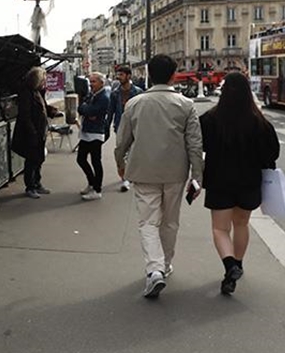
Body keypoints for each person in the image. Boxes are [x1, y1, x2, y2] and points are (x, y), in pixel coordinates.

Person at [114, 55, 204, 298]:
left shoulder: (134, 104)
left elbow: (122, 141)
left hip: (143, 171)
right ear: (173, 75)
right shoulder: (186, 104)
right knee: (170, 221)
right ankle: (164, 265)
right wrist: (197, 176)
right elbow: (195, 144)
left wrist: (120, 163)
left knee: (148, 222)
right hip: (175, 173)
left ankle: (154, 270)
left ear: (150, 75)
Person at [198, 71, 280, 296]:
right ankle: (239, 264)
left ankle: (229, 266)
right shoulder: (259, 122)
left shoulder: (209, 119)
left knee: (220, 229)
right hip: (249, 182)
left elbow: (198, 147)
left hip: (219, 180)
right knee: (241, 225)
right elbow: (272, 153)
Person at [11, 66, 61, 198]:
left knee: (38, 159)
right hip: (31, 133)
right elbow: (25, 115)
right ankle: (30, 186)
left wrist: (53, 112)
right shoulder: (26, 93)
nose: (45, 82)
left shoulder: (37, 91)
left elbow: (43, 106)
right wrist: (32, 132)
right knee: (32, 160)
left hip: (39, 131)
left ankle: (37, 183)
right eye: (43, 79)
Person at [107, 65, 144, 192]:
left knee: (132, 152)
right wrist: (106, 127)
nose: (118, 77)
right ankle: (125, 175)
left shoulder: (138, 92)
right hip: (120, 126)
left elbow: (143, 110)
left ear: (128, 76)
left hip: (136, 126)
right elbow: (110, 111)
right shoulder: (115, 93)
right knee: (120, 152)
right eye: (118, 75)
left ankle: (127, 178)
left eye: (121, 75)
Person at [75, 71, 111, 200]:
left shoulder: (104, 97)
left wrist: (87, 110)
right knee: (81, 159)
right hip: (87, 131)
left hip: (95, 132)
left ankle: (97, 189)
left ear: (101, 83)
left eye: (94, 81)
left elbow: (91, 111)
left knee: (96, 161)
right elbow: (81, 108)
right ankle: (91, 182)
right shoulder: (93, 94)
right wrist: (86, 110)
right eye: (90, 82)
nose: (91, 84)